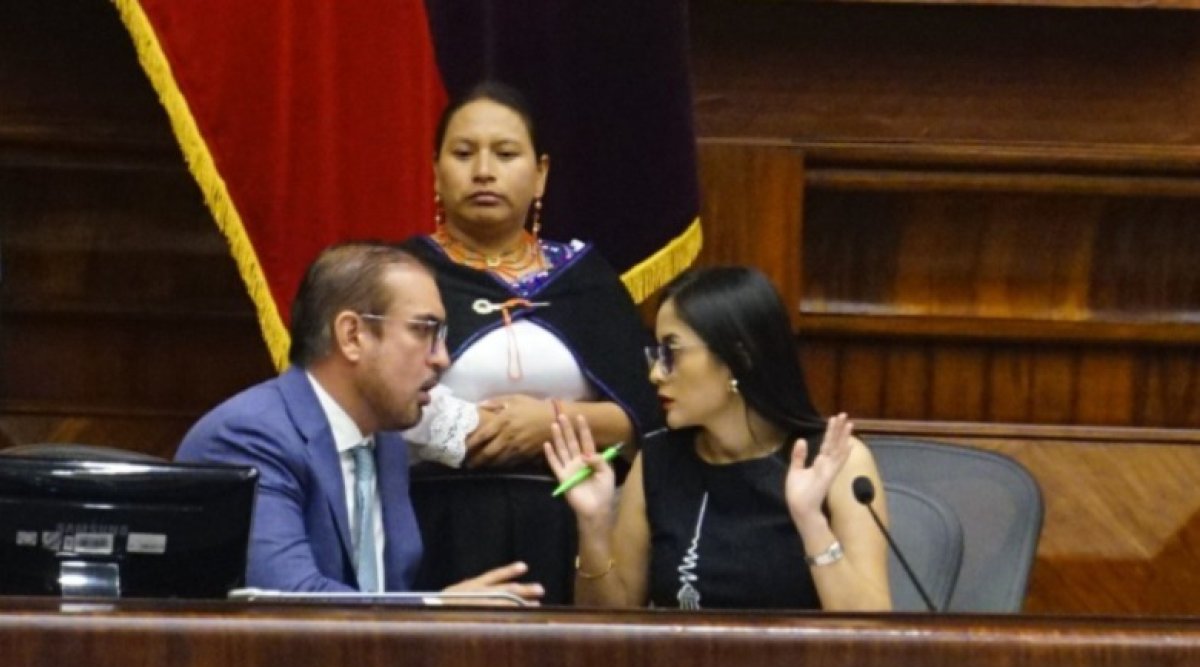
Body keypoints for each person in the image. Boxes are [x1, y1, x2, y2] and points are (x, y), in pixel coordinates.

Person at [398, 82, 661, 603]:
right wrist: (465, 428)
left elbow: (645, 418)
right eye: (464, 154)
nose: (483, 171)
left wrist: (550, 423)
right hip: (433, 525)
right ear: (435, 171)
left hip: (573, 523)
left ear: (540, 174)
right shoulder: (400, 275)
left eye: (505, 154)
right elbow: (365, 404)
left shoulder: (586, 279)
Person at [176, 242, 543, 602]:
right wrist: (434, 610)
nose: (442, 358)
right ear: (352, 336)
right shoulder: (249, 438)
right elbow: (288, 603)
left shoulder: (385, 442)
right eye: (423, 330)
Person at [544, 266, 892, 610]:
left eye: (672, 352)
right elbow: (607, 627)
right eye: (656, 354)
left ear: (737, 357)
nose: (655, 374)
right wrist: (593, 526)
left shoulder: (835, 461)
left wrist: (812, 522)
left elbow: (870, 630)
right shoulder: (657, 462)